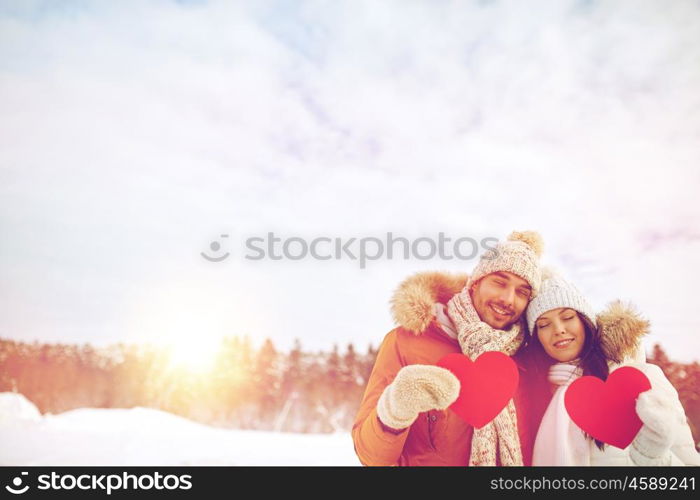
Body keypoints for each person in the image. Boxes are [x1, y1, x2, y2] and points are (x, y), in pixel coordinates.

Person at [352, 231, 551, 466]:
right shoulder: (407, 342)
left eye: (522, 292)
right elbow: (371, 457)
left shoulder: (531, 356)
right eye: (499, 282)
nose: (508, 299)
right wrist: (395, 410)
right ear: (475, 283)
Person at [525, 270, 700, 466]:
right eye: (543, 325)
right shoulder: (538, 395)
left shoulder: (642, 380)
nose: (558, 329)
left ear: (586, 322)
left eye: (567, 317)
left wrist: (651, 457)